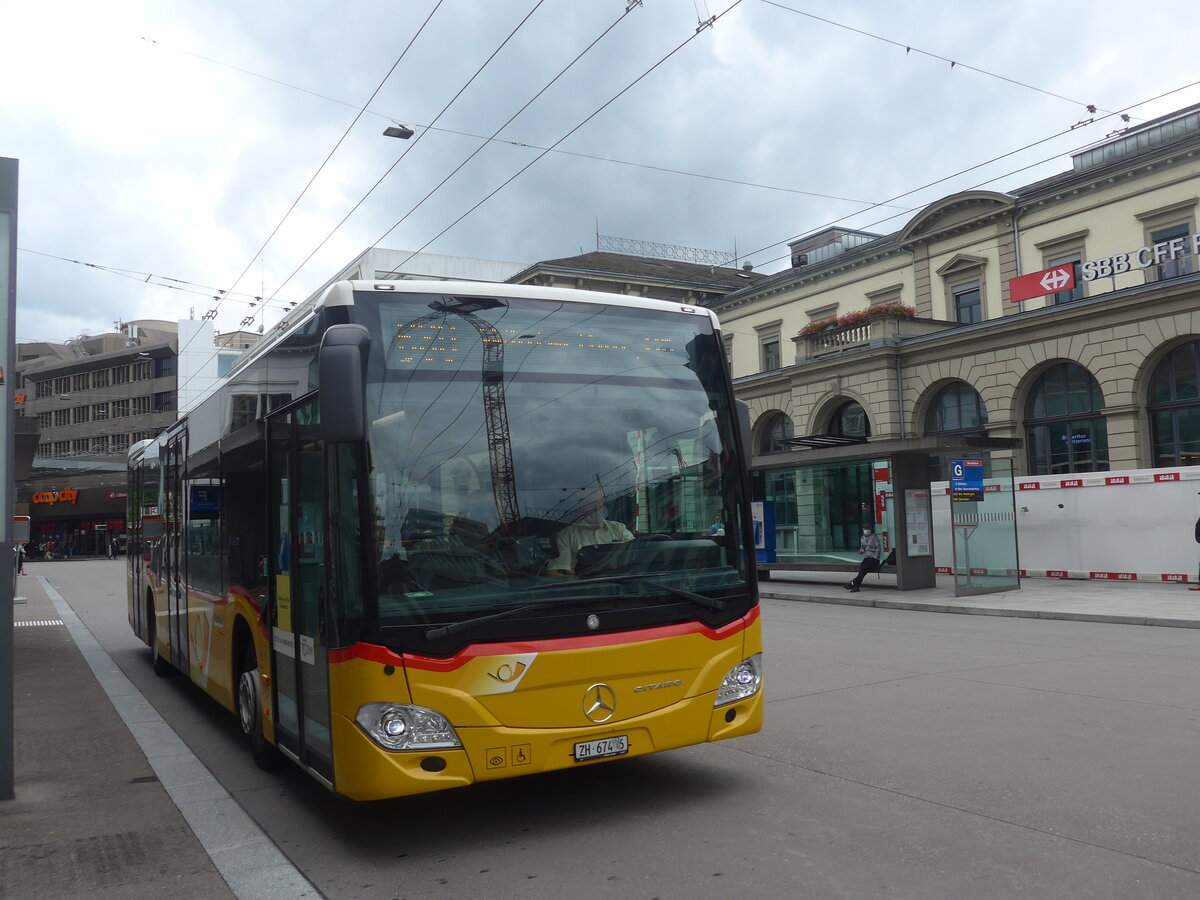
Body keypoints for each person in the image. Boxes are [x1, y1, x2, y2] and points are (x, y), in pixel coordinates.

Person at [547, 496, 634, 576]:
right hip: (584, 585)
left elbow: (635, 552)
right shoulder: (565, 535)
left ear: (603, 507)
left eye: (598, 503)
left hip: (618, 582)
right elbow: (554, 572)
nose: (596, 508)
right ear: (580, 508)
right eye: (590, 505)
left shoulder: (618, 528)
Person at [844, 524, 882, 593]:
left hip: (874, 559)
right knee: (862, 571)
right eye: (865, 528)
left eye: (867, 528)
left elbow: (878, 548)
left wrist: (875, 557)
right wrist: (861, 551)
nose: (866, 530)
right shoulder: (862, 538)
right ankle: (855, 586)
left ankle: (852, 583)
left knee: (863, 570)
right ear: (862, 529)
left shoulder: (874, 537)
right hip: (868, 558)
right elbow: (863, 548)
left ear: (870, 529)